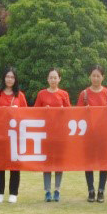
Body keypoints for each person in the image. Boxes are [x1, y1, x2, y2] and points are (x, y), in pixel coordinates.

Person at [77, 65, 107, 203]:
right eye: (93, 75)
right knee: (88, 162)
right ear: (90, 76)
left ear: (103, 77)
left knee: (104, 162)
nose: (95, 78)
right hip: (88, 135)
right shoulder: (84, 94)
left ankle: (101, 190)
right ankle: (91, 190)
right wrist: (85, 111)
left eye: (98, 76)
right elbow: (77, 114)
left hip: (104, 135)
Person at [0, 67, 27, 203]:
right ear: (3, 78)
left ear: (15, 79)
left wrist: (17, 111)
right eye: (7, 77)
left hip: (15, 134)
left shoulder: (20, 95)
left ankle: (13, 193)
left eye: (12, 77)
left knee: (15, 164)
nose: (9, 79)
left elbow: (26, 114)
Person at [34, 68, 71, 202]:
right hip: (46, 133)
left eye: (55, 77)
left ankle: (57, 190)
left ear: (59, 79)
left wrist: (63, 111)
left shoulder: (64, 94)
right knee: (47, 163)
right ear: (47, 79)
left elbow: (70, 112)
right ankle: (47, 191)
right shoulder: (41, 94)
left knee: (59, 163)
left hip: (60, 133)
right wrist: (44, 111)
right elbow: (34, 112)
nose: (53, 80)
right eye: (51, 77)